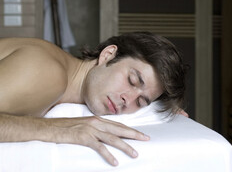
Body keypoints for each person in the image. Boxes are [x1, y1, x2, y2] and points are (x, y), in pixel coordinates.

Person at [0, 31, 187, 166]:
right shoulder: (47, 72)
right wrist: (58, 130)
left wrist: (156, 111)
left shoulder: (63, 81)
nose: (127, 100)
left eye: (141, 102)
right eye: (131, 81)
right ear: (108, 55)